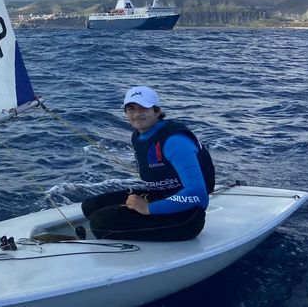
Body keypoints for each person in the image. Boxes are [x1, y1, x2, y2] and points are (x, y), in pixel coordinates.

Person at [81, 86, 215, 241]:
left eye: (143, 108)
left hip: (188, 217)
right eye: (131, 109)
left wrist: (149, 208)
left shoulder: (175, 141)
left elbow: (198, 195)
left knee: (100, 223)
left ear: (157, 111)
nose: (137, 114)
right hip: (161, 196)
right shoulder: (138, 136)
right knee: (91, 206)